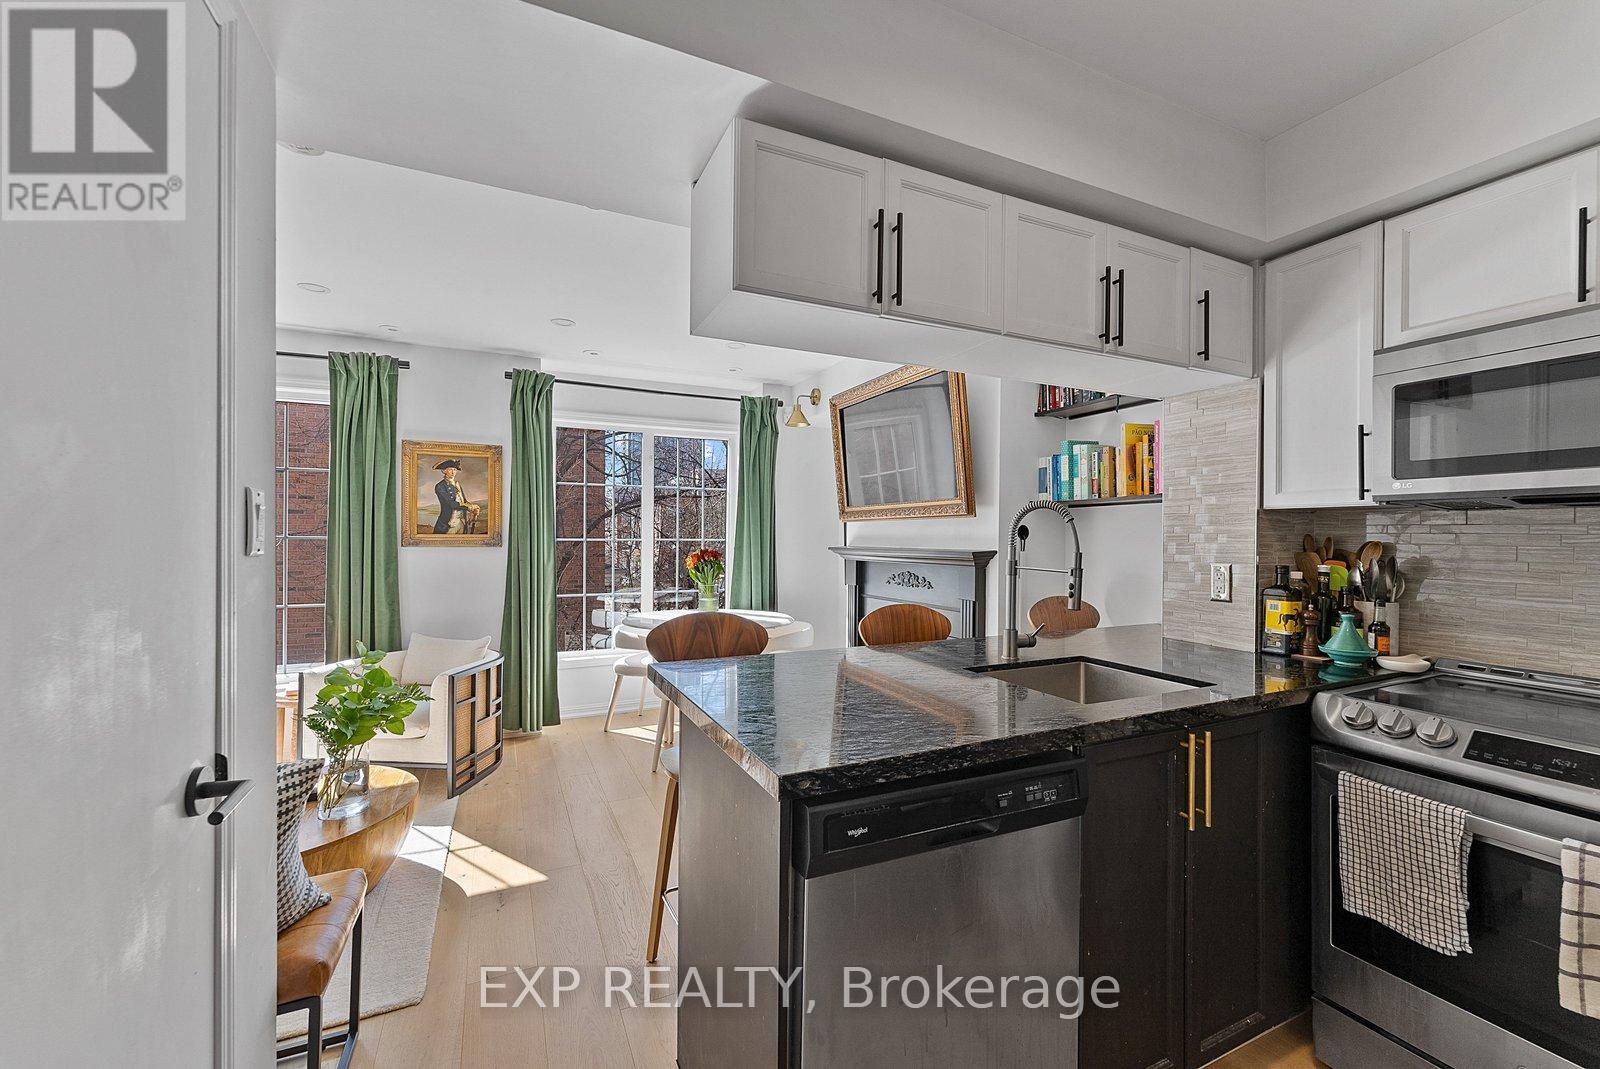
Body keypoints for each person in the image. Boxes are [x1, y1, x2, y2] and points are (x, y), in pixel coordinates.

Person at [431, 459, 480, 534]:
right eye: (450, 469)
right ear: (444, 471)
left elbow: (464, 501)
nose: (453, 472)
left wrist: (473, 507)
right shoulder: (440, 486)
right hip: (448, 524)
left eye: (454, 469)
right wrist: (469, 507)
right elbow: (452, 504)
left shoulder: (457, 484)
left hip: (461, 522)